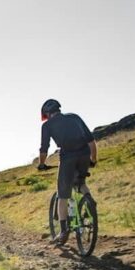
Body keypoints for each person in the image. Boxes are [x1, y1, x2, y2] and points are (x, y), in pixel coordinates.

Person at [36, 99, 97, 244]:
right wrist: (93, 159)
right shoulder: (74, 117)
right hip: (84, 154)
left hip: (68, 158)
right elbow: (91, 140)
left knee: (62, 195)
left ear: (47, 114)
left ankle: (63, 232)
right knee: (80, 182)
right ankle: (89, 201)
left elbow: (44, 148)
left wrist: (42, 164)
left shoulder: (47, 125)